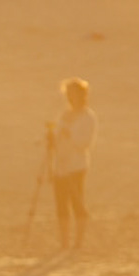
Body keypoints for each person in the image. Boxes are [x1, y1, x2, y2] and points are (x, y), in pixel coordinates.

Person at [49, 78, 97, 250]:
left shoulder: (88, 117)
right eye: (68, 93)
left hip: (76, 166)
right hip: (60, 166)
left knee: (77, 201)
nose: (70, 97)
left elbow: (85, 143)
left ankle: (78, 243)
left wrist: (69, 134)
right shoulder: (64, 114)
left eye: (74, 93)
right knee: (61, 204)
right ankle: (64, 244)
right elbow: (56, 136)